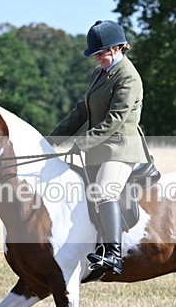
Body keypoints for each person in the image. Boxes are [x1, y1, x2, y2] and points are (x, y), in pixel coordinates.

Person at [48, 20, 145, 278]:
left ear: (116, 48)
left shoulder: (128, 76)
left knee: (103, 191)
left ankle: (112, 254)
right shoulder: (100, 74)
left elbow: (115, 119)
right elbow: (82, 110)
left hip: (120, 150)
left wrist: (82, 142)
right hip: (98, 149)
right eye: (95, 54)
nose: (97, 58)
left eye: (101, 53)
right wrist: (51, 140)